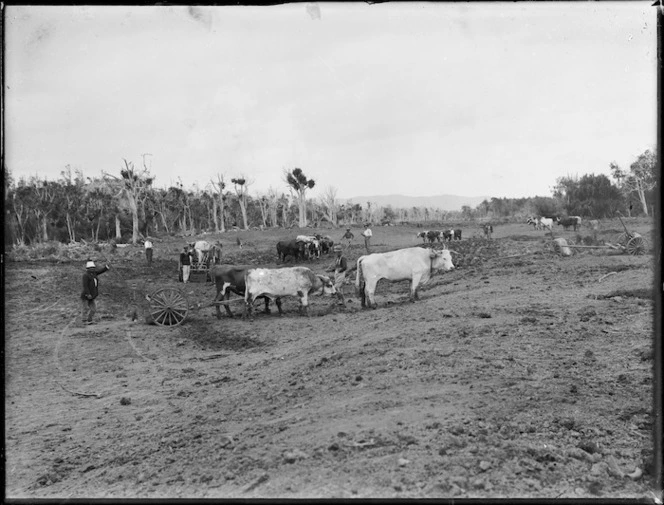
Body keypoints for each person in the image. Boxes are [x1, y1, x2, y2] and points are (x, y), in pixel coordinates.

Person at [80, 259, 110, 325]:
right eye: (91, 268)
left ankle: (89, 320)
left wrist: (107, 266)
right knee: (85, 308)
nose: (93, 269)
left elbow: (101, 271)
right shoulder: (85, 275)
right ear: (88, 268)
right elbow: (85, 286)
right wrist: (88, 294)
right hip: (86, 295)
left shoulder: (94, 274)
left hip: (92, 295)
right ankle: (84, 321)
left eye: (93, 268)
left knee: (93, 309)